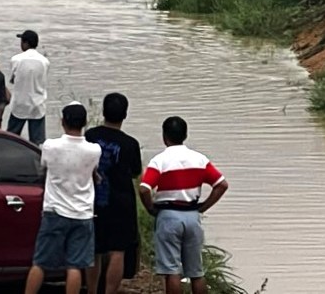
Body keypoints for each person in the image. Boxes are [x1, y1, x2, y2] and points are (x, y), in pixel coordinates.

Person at [139, 117, 229, 294]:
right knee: (196, 272)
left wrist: (150, 208)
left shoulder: (160, 161)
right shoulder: (200, 159)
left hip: (168, 216)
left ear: (164, 137)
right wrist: (203, 207)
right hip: (192, 215)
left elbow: (144, 189)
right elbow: (222, 185)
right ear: (185, 135)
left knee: (172, 271)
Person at [24, 102, 103, 294]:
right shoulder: (94, 150)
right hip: (82, 214)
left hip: (55, 211)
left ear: (62, 122)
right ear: (84, 122)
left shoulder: (50, 146)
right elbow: (95, 174)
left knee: (40, 263)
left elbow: (44, 168)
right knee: (74, 266)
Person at [85, 93, 143, 294]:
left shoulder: (90, 136)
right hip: (121, 202)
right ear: (125, 114)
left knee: (95, 250)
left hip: (94, 199)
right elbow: (136, 172)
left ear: (103, 112)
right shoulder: (130, 144)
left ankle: (92, 291)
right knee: (118, 251)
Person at [8, 30, 50, 145]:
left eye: (21, 41)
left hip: (19, 104)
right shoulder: (45, 61)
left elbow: (13, 79)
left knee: (11, 138)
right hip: (38, 105)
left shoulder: (16, 59)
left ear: (25, 43)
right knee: (36, 143)